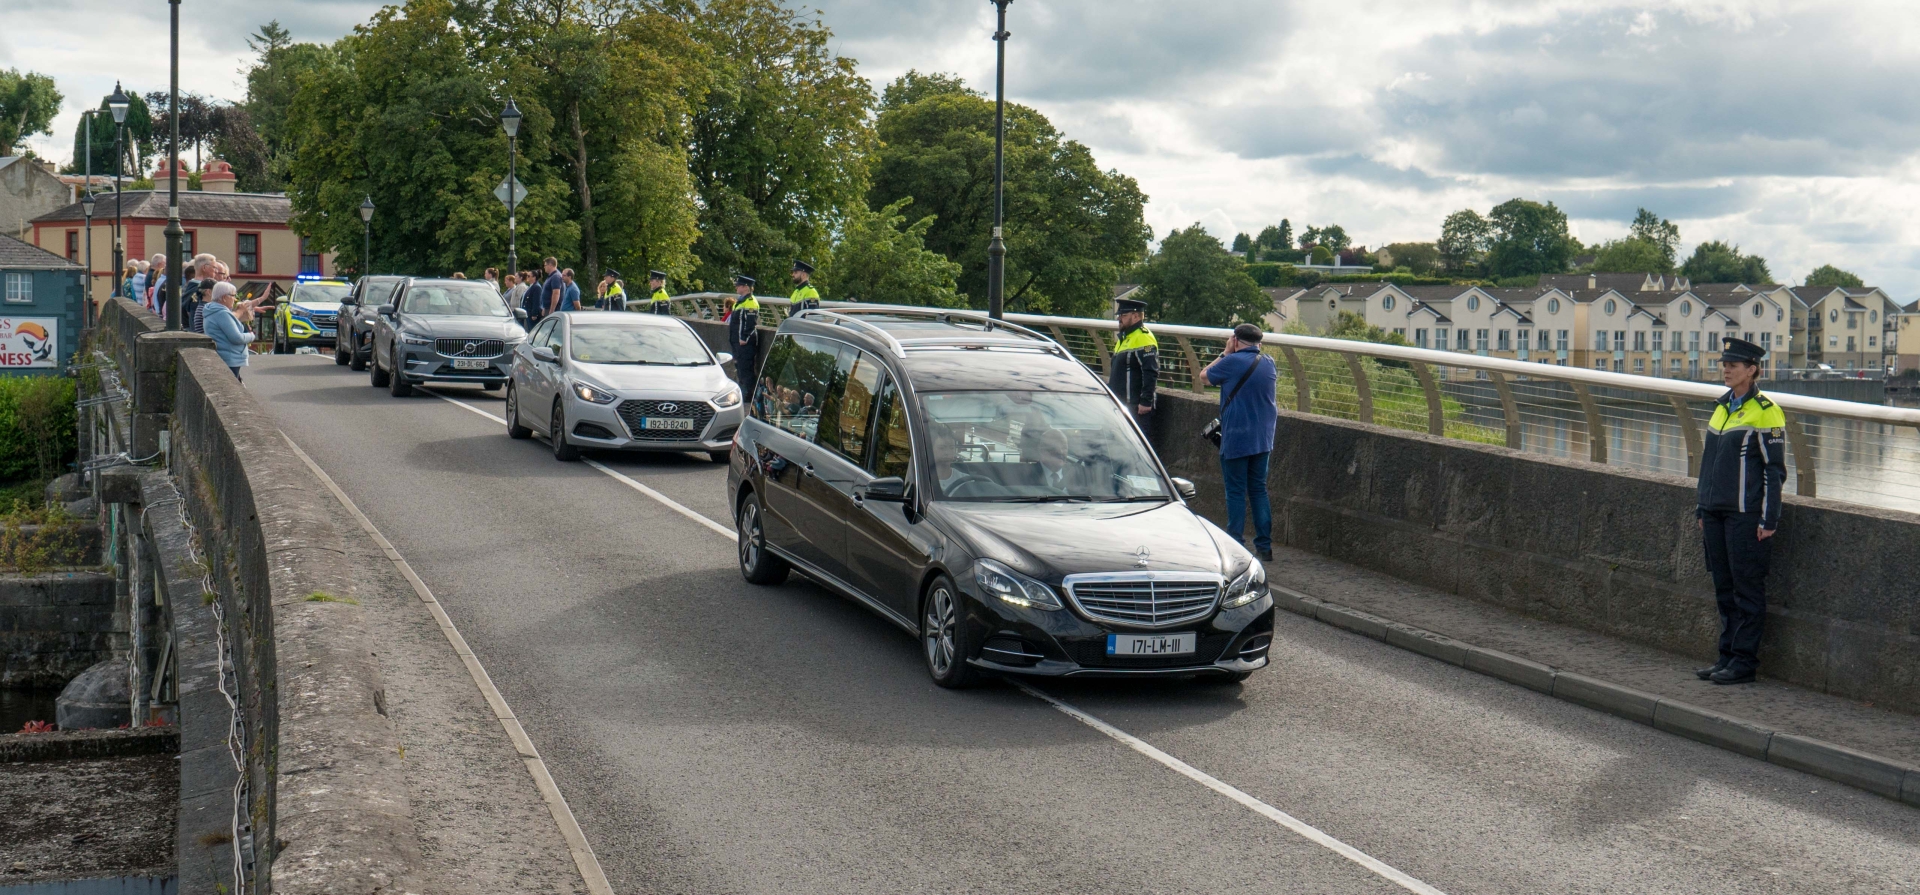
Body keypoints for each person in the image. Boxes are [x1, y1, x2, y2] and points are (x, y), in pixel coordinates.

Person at [1695, 337, 1786, 686]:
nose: (1726, 370)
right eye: (1724, 364)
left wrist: (1768, 518)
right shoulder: (1722, 406)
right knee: (1724, 588)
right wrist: (1701, 507)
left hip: (1745, 515)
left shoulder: (1767, 410)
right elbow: (1708, 464)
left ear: (1751, 369)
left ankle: (1744, 663)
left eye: (1733, 365)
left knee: (1746, 590)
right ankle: (1726, 657)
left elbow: (1774, 471)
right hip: (1714, 511)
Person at [1203, 323, 1279, 561]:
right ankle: (1264, 547)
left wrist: (1225, 352)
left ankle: (1236, 544)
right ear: (1259, 343)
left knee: (1235, 491)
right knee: (1258, 490)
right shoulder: (1269, 363)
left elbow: (1204, 377)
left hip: (1236, 437)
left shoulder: (1232, 361)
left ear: (1235, 341)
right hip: (1262, 439)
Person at [1108, 297, 1158, 430]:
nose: (1119, 319)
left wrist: (1146, 402)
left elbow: (1150, 372)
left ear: (1135, 316)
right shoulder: (1124, 338)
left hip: (1136, 408)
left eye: (1123, 315)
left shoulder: (1144, 337)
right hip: (1122, 405)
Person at [200, 281, 257, 381]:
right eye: (233, 295)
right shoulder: (222, 313)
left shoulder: (213, 310)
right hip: (229, 359)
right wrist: (251, 335)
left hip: (224, 356)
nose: (235, 299)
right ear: (224, 297)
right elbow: (237, 338)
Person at [727, 275, 761, 396]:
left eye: (739, 285)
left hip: (745, 343)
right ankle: (743, 392)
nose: (736, 287)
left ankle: (748, 395)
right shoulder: (740, 301)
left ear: (746, 287)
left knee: (746, 369)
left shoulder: (750, 302)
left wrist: (744, 338)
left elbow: (750, 323)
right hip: (737, 342)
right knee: (740, 368)